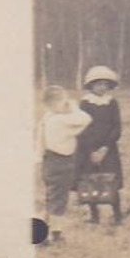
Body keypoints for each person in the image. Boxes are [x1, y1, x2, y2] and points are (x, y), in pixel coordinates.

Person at [37, 85, 93, 244]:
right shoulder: (61, 120)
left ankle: (47, 233)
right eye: (64, 101)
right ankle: (52, 234)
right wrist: (74, 107)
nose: (67, 104)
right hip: (61, 162)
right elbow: (86, 119)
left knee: (52, 198)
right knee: (58, 201)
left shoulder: (46, 118)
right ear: (56, 104)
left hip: (49, 161)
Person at [74, 65, 125, 225]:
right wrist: (91, 151)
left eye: (105, 84)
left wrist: (105, 148)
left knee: (111, 181)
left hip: (108, 149)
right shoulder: (85, 103)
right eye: (98, 84)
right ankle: (94, 215)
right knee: (90, 181)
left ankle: (117, 215)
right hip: (88, 150)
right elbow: (82, 128)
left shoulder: (112, 103)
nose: (102, 87)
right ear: (91, 85)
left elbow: (116, 127)